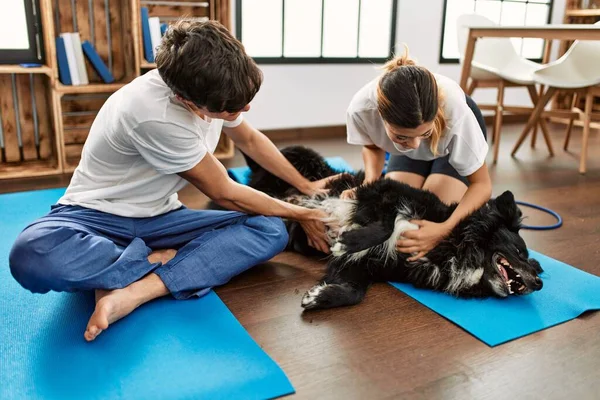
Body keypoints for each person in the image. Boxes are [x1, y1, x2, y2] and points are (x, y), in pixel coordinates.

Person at [9, 20, 334, 342]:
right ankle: (156, 259)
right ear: (186, 100)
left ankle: (136, 288)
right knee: (31, 254)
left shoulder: (214, 83)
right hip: (95, 216)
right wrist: (306, 214)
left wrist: (306, 188)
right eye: (232, 107)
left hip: (162, 217)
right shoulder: (152, 112)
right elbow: (225, 193)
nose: (245, 109)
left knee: (270, 229)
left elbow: (249, 140)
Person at [342, 47, 492, 261]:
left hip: (449, 143)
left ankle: (443, 161)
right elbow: (373, 146)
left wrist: (444, 228)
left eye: (424, 133)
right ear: (380, 116)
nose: (414, 145)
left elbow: (482, 185)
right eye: (402, 137)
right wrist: (370, 184)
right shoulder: (361, 110)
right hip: (419, 133)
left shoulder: (457, 115)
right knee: (399, 216)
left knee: (427, 217)